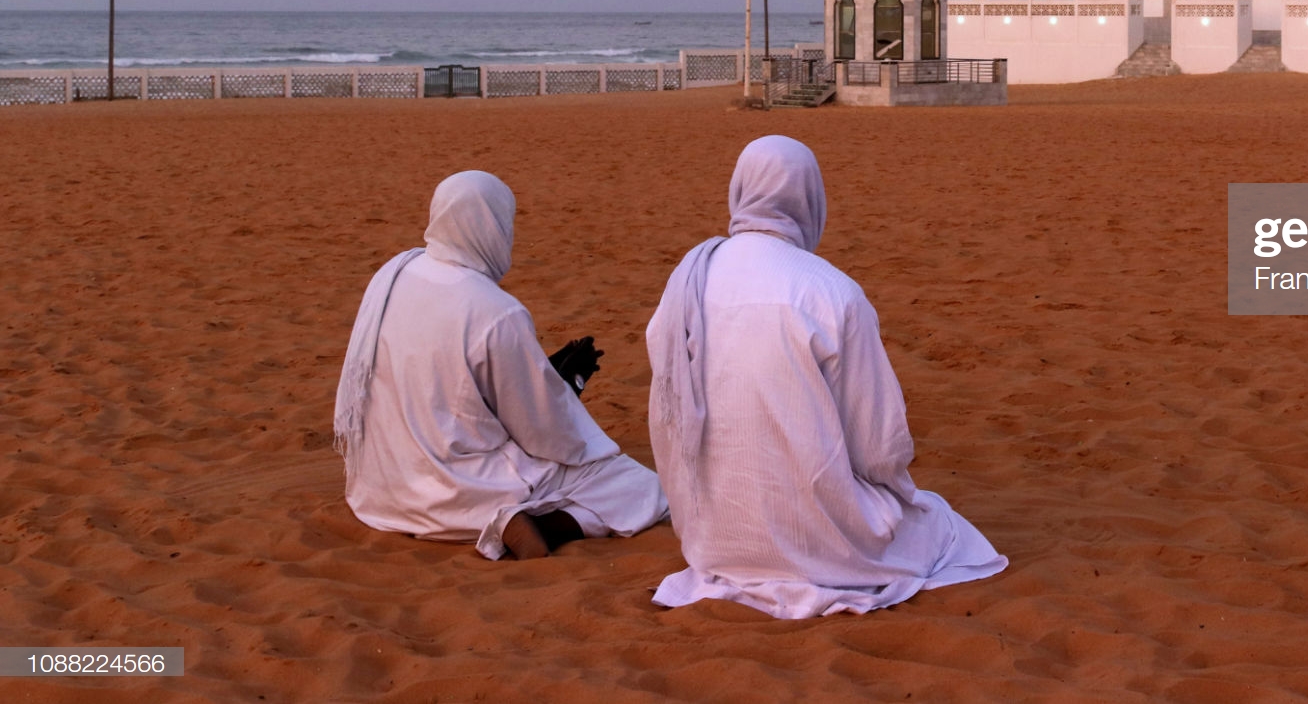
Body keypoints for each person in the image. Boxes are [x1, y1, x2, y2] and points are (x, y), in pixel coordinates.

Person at [647, 135, 1006, 617]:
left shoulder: (688, 282)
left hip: (713, 537)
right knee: (942, 527)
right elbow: (880, 447)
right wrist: (892, 497)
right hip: (815, 539)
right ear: (810, 199)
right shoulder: (831, 290)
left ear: (740, 190)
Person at [335, 170, 668, 561]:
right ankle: (541, 525)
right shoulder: (494, 311)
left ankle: (517, 521)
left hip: (380, 488)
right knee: (641, 487)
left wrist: (547, 379)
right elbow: (544, 432)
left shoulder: (394, 272)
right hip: (458, 488)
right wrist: (566, 390)